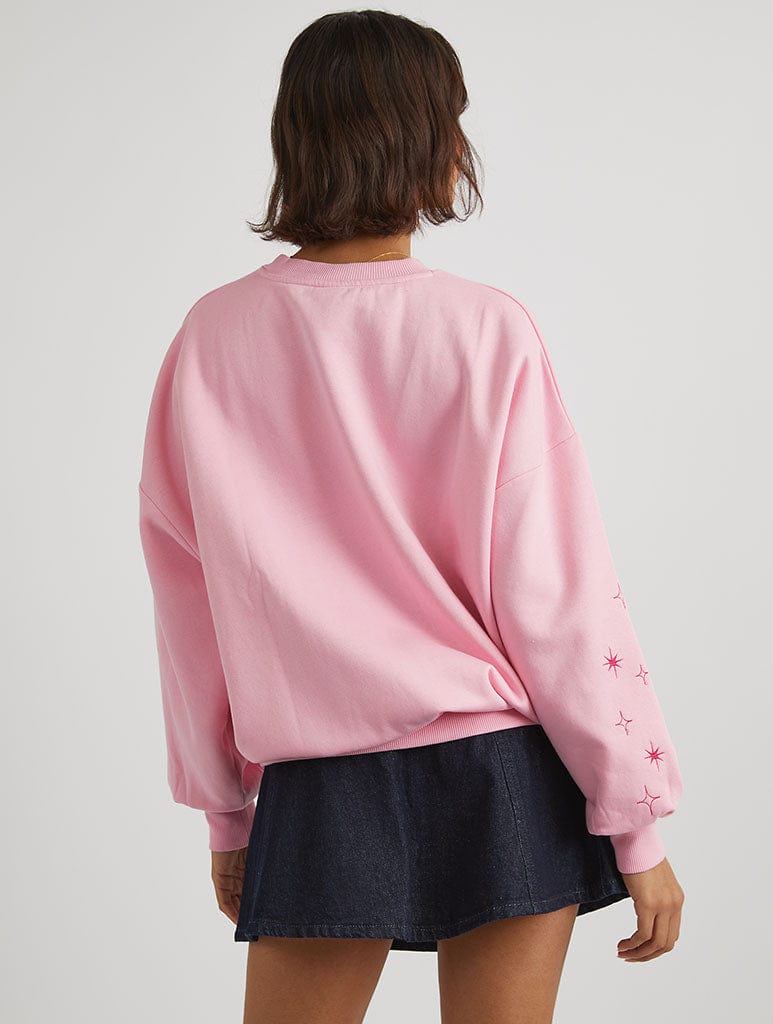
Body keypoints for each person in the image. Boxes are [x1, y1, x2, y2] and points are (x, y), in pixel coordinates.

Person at [137, 9, 685, 1024]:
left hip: (318, 783)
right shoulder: (485, 330)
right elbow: (557, 596)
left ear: (294, 136)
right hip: (499, 773)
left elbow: (190, 600)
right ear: (433, 141)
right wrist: (636, 824)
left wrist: (227, 812)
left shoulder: (212, 338)